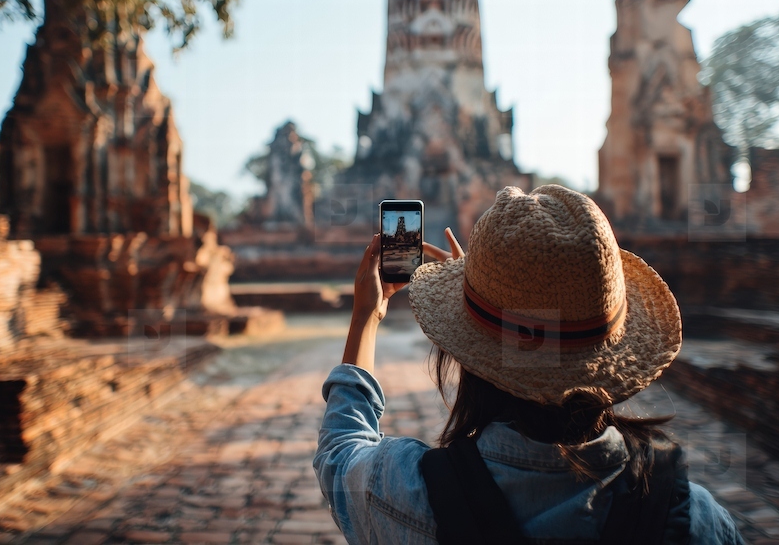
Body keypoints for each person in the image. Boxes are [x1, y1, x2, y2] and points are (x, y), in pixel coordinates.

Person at [314, 185, 743, 544]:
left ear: (466, 350)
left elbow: (340, 452)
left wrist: (366, 317)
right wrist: (482, 299)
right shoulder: (695, 519)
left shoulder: (411, 495)